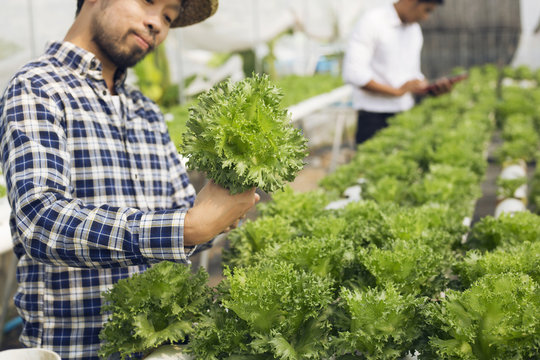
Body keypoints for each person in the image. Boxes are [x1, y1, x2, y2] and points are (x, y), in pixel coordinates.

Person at [0, 0, 260, 359]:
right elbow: (40, 222)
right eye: (148, 3)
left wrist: (217, 212)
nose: (157, 24)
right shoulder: (37, 88)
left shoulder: (146, 111)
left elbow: (183, 222)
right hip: (78, 348)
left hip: (157, 345)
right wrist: (187, 227)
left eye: (168, 17)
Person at [342, 0, 453, 145]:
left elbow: (412, 75)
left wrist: (428, 88)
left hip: (405, 115)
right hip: (373, 118)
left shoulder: (414, 30)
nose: (426, 17)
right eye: (427, 10)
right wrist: (396, 92)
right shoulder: (372, 21)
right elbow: (354, 73)